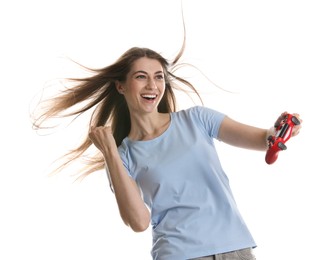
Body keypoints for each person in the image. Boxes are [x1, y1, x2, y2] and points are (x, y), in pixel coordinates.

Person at [32, 45, 302, 260]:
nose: (152, 85)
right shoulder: (123, 155)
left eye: (158, 76)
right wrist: (110, 154)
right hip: (180, 255)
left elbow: (263, 138)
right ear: (121, 86)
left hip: (237, 250)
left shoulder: (197, 119)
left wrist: (278, 130)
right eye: (141, 77)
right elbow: (138, 222)